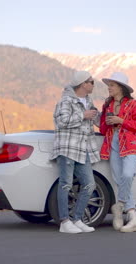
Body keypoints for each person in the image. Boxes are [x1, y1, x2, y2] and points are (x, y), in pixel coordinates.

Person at [50, 71, 100, 234]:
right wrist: (83, 115)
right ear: (83, 84)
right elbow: (61, 122)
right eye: (91, 82)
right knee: (65, 184)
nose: (93, 84)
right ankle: (64, 222)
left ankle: (77, 219)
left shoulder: (88, 101)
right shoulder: (66, 101)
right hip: (68, 148)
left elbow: (93, 122)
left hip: (84, 149)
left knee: (90, 184)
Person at [99, 72, 136, 233]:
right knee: (119, 179)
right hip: (113, 143)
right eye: (109, 86)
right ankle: (133, 217)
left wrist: (122, 121)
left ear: (120, 87)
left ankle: (119, 206)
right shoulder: (108, 106)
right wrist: (106, 123)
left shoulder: (135, 105)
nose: (109, 88)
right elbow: (102, 129)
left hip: (132, 143)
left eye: (111, 85)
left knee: (127, 175)